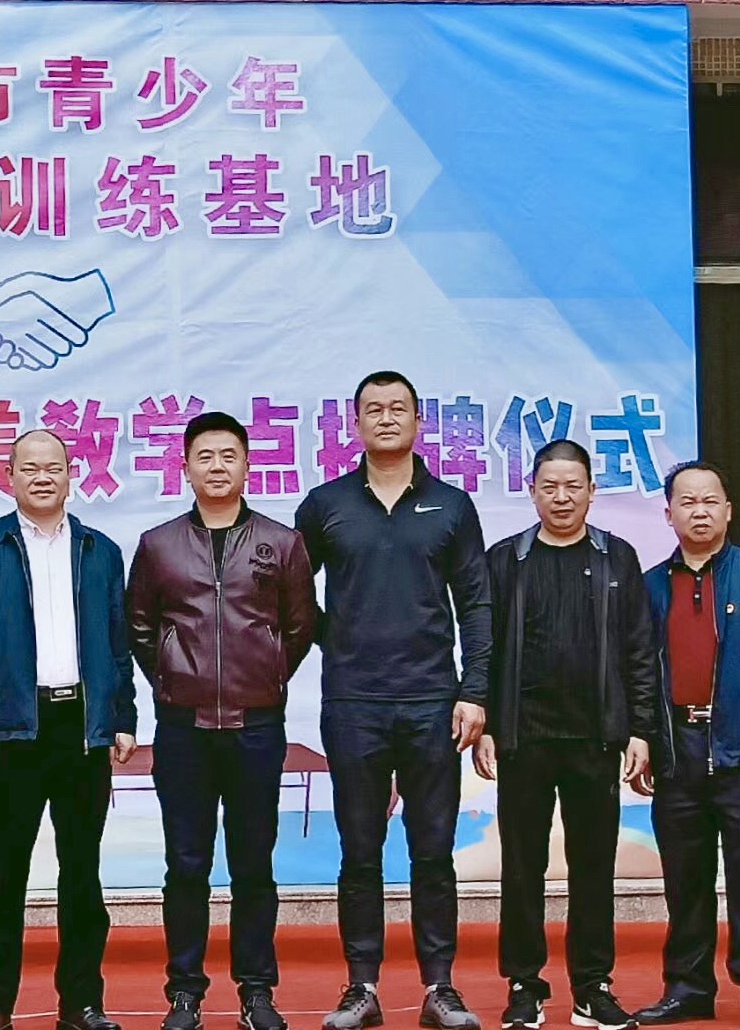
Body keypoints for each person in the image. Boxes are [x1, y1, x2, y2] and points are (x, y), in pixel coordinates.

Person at [293, 371, 489, 1030]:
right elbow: (291, 593)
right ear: (354, 424)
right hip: (354, 702)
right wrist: (334, 637)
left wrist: (474, 691)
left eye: (397, 408)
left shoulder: (452, 506)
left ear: (418, 421)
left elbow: (476, 603)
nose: (385, 417)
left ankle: (440, 987)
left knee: (433, 851)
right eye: (372, 409)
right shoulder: (326, 505)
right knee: (360, 851)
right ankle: (362, 987)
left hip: (433, 699)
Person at [127, 412, 317, 1030]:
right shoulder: (158, 544)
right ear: (185, 467)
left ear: (247, 465)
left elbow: (299, 626)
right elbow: (140, 626)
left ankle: (256, 992)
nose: (216, 466)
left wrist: (267, 673)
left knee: (253, 865)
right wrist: (170, 678)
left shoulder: (281, 543)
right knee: (186, 865)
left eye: (228, 455)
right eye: (204, 456)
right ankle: (184, 992)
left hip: (256, 728)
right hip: (183, 729)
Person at [0, 430, 137, 1030]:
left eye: (53, 467)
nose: (42, 477)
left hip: (81, 728)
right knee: (3, 875)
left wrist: (123, 717)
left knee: (82, 874)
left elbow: (119, 644)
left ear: (71, 473)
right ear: (8, 476)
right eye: (28, 468)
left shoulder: (100, 551)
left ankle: (82, 1003)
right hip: (13, 732)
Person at [475, 438, 656, 1030]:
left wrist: (639, 729)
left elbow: (638, 648)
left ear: (591, 492)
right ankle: (524, 985)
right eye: (549, 487)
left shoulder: (616, 557)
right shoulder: (506, 559)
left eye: (572, 486)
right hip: (523, 738)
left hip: (596, 737)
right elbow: (485, 648)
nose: (561, 497)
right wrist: (486, 724)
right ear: (531, 491)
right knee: (522, 867)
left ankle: (592, 986)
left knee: (594, 867)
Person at [635, 461, 740, 1030]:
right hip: (677, 752)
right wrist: (645, 738)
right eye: (687, 502)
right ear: (669, 514)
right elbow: (638, 672)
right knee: (685, 883)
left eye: (710, 501)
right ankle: (687, 989)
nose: (700, 511)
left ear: (729, 510)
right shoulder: (651, 585)